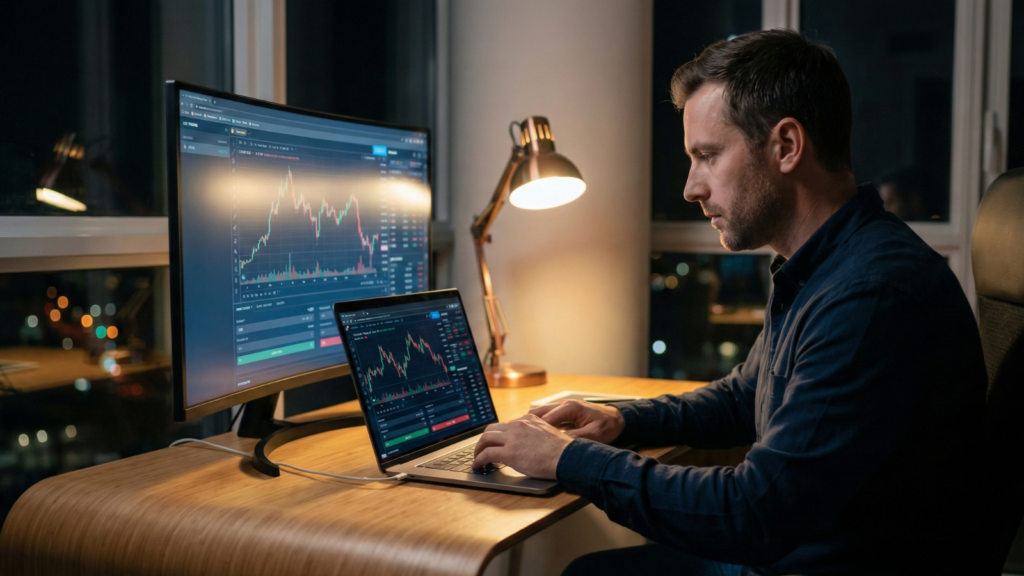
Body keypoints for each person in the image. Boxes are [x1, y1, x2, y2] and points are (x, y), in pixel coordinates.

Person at [472, 29, 987, 576]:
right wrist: (619, 420)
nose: (692, 187)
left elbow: (752, 512)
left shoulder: (870, 296)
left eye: (707, 156)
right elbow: (746, 397)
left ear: (786, 146)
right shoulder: (825, 265)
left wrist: (568, 459)